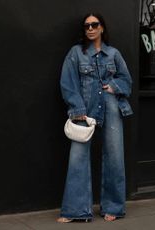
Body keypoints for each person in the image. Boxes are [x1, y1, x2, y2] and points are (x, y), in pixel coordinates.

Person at [57, 13, 133, 223]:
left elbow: (127, 80)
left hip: (111, 105)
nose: (90, 28)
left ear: (101, 28)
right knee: (78, 157)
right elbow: (68, 82)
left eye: (94, 24)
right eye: (86, 26)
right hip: (84, 107)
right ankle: (75, 210)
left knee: (114, 156)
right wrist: (77, 107)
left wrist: (114, 87)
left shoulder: (113, 54)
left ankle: (114, 207)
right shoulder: (76, 53)